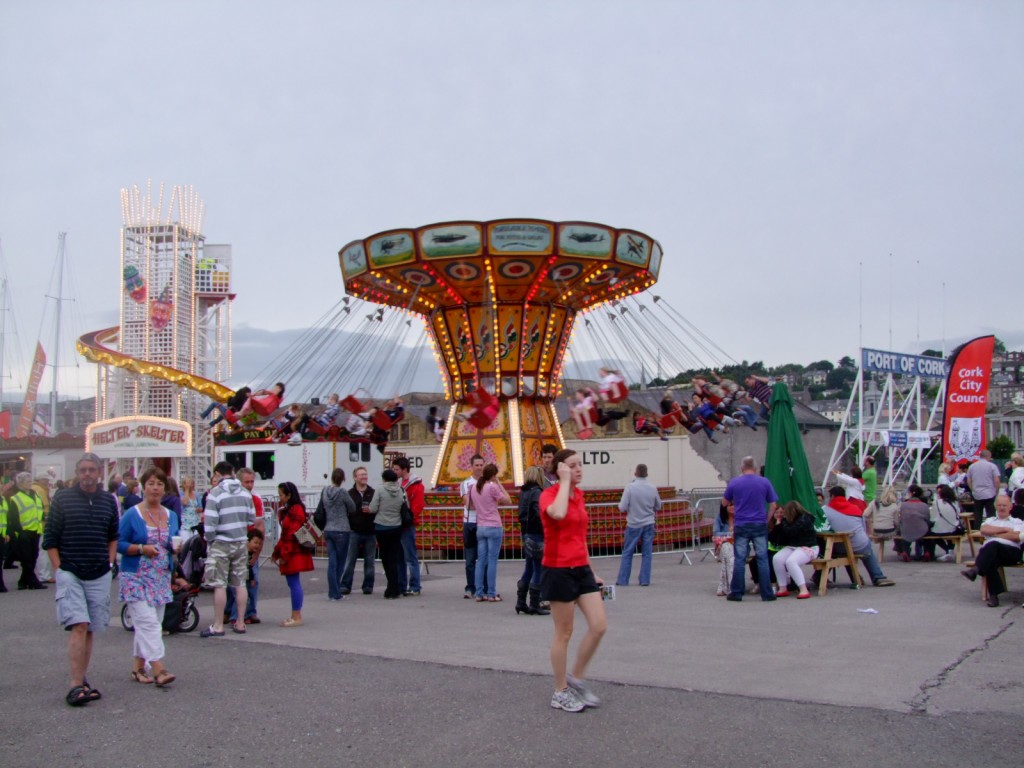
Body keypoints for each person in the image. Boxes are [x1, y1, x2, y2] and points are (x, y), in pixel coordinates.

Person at [42, 452, 120, 707]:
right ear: (77, 473)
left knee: (90, 629)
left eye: (92, 470)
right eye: (83, 470)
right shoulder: (63, 498)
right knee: (79, 624)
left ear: (99, 473)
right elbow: (50, 537)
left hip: (98, 571)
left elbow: (112, 535)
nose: (87, 474)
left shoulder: (109, 500)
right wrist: (59, 569)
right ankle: (75, 685)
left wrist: (109, 563)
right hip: (71, 570)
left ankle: (82, 679)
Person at [540, 448, 607, 713]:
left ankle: (576, 678)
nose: (579, 469)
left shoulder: (579, 495)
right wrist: (563, 481)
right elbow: (556, 514)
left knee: (599, 625)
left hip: (580, 567)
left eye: (580, 465)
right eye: (572, 465)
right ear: (560, 469)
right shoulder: (548, 495)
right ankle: (560, 691)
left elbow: (580, 537)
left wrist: (592, 570)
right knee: (564, 632)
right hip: (558, 568)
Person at [117, 466, 179, 687]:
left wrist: (175, 548)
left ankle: (137, 667)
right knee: (148, 623)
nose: (155, 488)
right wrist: (142, 548)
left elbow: (173, 541)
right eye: (151, 483)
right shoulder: (131, 514)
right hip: (136, 576)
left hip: (161, 576)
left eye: (159, 484)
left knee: (150, 624)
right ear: (143, 487)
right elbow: (120, 544)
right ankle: (159, 668)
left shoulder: (171, 515)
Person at [199, 461, 255, 637]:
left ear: (217, 474)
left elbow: (210, 524)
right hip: (240, 542)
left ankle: (217, 625)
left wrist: (210, 540)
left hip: (221, 542)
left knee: (219, 584)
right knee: (240, 583)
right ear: (232, 472)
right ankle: (240, 622)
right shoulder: (246, 494)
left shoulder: (214, 494)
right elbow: (251, 519)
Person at [723, 456, 777, 602]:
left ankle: (737, 592)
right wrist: (767, 519)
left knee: (740, 559)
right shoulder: (764, 482)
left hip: (741, 524)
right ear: (756, 467)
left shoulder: (735, 482)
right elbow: (773, 504)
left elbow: (724, 502)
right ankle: (767, 593)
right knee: (762, 558)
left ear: (742, 467)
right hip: (759, 523)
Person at [822, 486, 895, 587]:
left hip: (838, 546)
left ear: (832, 496)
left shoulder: (825, 510)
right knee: (866, 550)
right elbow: (862, 527)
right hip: (860, 544)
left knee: (833, 551)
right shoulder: (855, 508)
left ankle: (819, 576)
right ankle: (878, 577)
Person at [961, 494, 1024, 607]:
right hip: (992, 553)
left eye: (1004, 505)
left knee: (992, 545)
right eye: (999, 505)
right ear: (995, 506)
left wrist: (994, 535)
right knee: (990, 559)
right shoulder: (990, 520)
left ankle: (976, 569)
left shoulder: (1017, 522)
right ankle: (994, 597)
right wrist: (1004, 529)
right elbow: (984, 529)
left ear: (1010, 507)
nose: (1001, 507)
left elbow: (1016, 536)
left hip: (1011, 552)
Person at [271, 481, 314, 625]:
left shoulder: (295, 510)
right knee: (293, 582)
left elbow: (290, 534)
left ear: (289, 495)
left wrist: (283, 553)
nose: (279, 498)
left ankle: (296, 616)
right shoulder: (293, 508)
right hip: (292, 549)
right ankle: (295, 614)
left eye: (281, 495)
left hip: (293, 550)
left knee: (294, 582)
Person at [226, 467, 264, 625]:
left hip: (250, 543)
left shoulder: (256, 499)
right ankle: (231, 612)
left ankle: (250, 611)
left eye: (252, 482)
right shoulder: (232, 498)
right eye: (246, 482)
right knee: (232, 583)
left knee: (253, 580)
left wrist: (257, 551)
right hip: (235, 543)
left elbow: (260, 526)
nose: (249, 485)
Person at [615, 463, 662, 587]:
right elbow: (658, 506)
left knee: (628, 552)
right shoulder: (652, 488)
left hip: (634, 524)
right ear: (647, 474)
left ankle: (623, 580)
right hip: (649, 523)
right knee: (647, 553)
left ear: (635, 473)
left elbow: (622, 507)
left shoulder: (630, 487)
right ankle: (644, 580)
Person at [471, 463, 512, 602]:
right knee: (492, 560)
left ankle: (479, 592)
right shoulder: (492, 486)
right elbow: (507, 500)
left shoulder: (474, 488)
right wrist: (499, 483)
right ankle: (491, 593)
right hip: (493, 525)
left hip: (480, 525)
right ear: (494, 475)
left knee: (480, 561)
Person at [767, 501, 818, 599]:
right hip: (793, 546)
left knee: (791, 561)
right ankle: (782, 587)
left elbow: (792, 531)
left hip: (808, 547)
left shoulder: (805, 519)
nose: (784, 515)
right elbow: (776, 538)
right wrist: (778, 525)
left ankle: (803, 589)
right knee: (777, 558)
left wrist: (783, 524)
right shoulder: (787, 522)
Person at [515, 466, 548, 615]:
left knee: (529, 567)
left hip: (526, 532)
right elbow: (538, 513)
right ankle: (535, 603)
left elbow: (522, 513)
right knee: (538, 568)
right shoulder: (538, 493)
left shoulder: (523, 492)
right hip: (536, 533)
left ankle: (521, 602)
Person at [369, 468, 405, 599]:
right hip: (396, 526)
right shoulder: (401, 490)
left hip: (382, 526)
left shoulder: (380, 490)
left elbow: (373, 508)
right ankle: (395, 587)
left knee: (385, 557)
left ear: (384, 479)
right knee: (394, 557)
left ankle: (391, 586)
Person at [321, 467, 355, 602]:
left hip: (328, 528)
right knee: (340, 563)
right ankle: (336, 593)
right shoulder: (342, 492)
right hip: (342, 529)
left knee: (332, 562)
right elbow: (352, 507)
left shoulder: (325, 491)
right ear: (343, 479)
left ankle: (331, 592)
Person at [342, 466, 376, 595]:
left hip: (370, 531)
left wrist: (372, 510)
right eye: (361, 475)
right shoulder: (349, 493)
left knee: (370, 561)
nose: (364, 477)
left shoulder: (373, 492)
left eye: (365, 474)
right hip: (354, 531)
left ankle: (368, 586)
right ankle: (346, 585)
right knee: (350, 560)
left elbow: (378, 507)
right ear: (355, 477)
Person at [9, 472, 46, 590]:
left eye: (30, 481)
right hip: (24, 531)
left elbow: (39, 510)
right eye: (27, 481)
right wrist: (19, 530)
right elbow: (13, 518)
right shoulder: (15, 498)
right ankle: (33, 581)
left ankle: (23, 581)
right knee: (26, 558)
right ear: (20, 483)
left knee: (34, 555)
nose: (30, 483)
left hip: (36, 529)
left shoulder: (35, 494)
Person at [393, 456, 424, 596]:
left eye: (397, 469)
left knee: (410, 556)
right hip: (399, 522)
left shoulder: (415, 484)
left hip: (406, 523)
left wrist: (409, 517)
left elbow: (418, 505)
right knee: (400, 556)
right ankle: (402, 584)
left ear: (404, 469)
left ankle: (415, 585)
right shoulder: (400, 483)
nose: (395, 472)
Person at [460, 454, 485, 599]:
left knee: (484, 558)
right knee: (470, 559)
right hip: (470, 522)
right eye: (477, 465)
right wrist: (483, 503)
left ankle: (484, 586)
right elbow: (468, 504)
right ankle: (470, 587)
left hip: (483, 522)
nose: (479, 468)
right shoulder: (466, 483)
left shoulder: (487, 483)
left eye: (481, 465)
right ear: (472, 466)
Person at [967, 450, 1002, 525]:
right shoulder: (992, 466)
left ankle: (976, 532)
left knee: (977, 515)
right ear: (988, 456)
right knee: (991, 514)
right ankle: (991, 530)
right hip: (990, 493)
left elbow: (969, 480)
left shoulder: (972, 466)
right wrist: (997, 491)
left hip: (977, 494)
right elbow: (997, 480)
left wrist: (972, 490)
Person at [930, 484, 963, 562]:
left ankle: (948, 550)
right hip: (954, 528)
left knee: (931, 534)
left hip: (939, 530)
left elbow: (933, 518)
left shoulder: (937, 502)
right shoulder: (955, 502)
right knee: (951, 531)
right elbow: (958, 514)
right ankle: (950, 550)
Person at [712, 503, 734, 597]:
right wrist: (730, 533)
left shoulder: (741, 518)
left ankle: (723, 587)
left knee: (728, 559)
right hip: (723, 546)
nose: (732, 507)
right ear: (725, 507)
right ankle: (732, 587)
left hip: (738, 546)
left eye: (734, 505)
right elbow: (716, 533)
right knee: (727, 550)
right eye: (729, 505)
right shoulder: (719, 518)